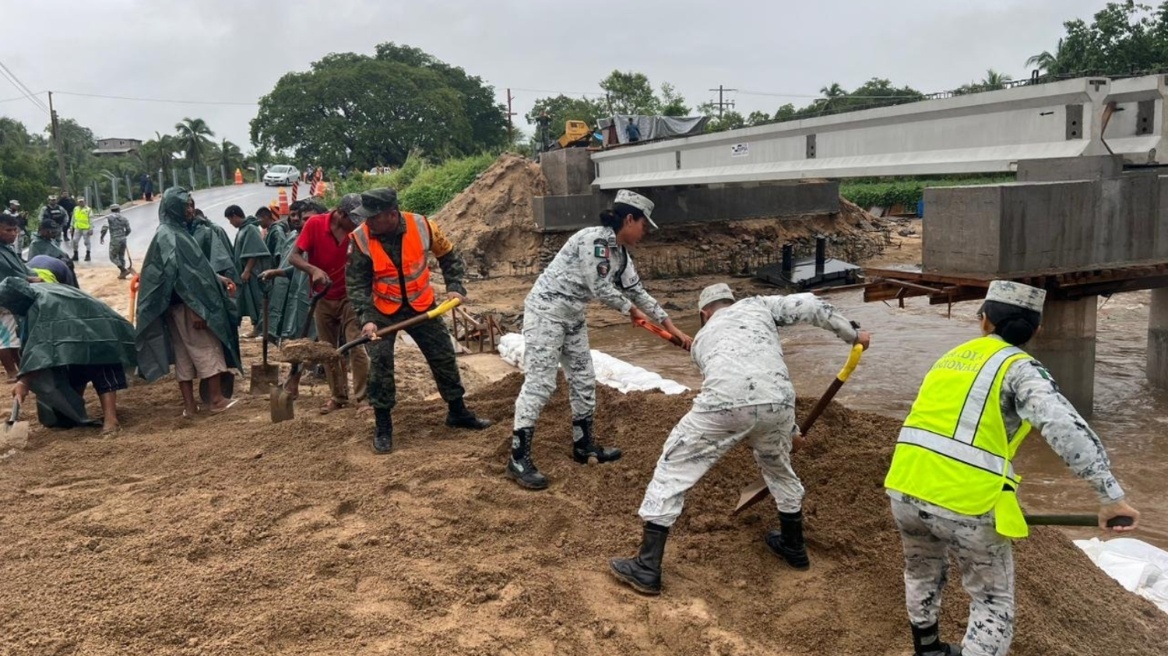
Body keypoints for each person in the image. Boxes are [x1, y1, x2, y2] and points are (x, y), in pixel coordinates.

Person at [883, 280, 1140, 656]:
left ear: (984, 320)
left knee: (921, 572)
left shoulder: (950, 358)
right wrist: (1110, 496)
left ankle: (929, 650)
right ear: (1035, 330)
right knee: (991, 602)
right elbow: (1064, 427)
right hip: (966, 499)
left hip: (904, 487)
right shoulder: (1019, 368)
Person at [608, 283, 868, 594]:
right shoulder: (758, 306)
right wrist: (853, 334)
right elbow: (809, 305)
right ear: (732, 302)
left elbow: (737, 388)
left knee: (674, 466)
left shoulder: (703, 340)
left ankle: (647, 567)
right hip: (781, 403)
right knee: (777, 467)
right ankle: (793, 547)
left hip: (726, 404)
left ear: (704, 315)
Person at [508, 190, 692, 490]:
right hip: (547, 312)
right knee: (540, 383)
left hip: (573, 315)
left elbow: (637, 291)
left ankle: (584, 445)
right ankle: (518, 458)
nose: (645, 232)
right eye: (644, 225)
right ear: (629, 219)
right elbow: (599, 286)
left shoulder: (621, 254)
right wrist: (630, 312)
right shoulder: (594, 240)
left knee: (584, 378)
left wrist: (673, 329)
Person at [347, 187, 492, 454]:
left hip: (422, 305)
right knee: (380, 364)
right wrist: (366, 319)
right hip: (382, 310)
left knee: (443, 356)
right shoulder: (361, 239)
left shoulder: (423, 226)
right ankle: (383, 425)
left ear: (391, 214)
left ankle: (458, 412)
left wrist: (455, 285)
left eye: (373, 217)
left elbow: (448, 255)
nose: (367, 222)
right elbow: (357, 284)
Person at [135, 187, 241, 418]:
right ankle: (216, 399)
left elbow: (196, 268)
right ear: (174, 208)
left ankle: (190, 407)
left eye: (192, 205)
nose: (191, 210)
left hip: (175, 308)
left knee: (183, 354)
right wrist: (197, 310)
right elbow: (180, 279)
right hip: (187, 306)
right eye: (186, 206)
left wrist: (218, 278)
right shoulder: (172, 236)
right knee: (206, 348)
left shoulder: (170, 232)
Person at [3, 277, 134, 435]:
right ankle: (75, 415)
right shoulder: (31, 298)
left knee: (102, 368)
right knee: (74, 368)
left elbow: (41, 347)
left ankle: (111, 421)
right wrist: (23, 377)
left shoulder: (43, 306)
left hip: (99, 327)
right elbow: (32, 342)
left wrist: (24, 382)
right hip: (75, 328)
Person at [288, 193, 369, 413]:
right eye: (353, 219)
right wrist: (313, 270)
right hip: (323, 296)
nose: (357, 224)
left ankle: (363, 398)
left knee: (356, 345)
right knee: (328, 350)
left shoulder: (359, 232)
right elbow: (293, 257)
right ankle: (338, 396)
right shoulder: (315, 224)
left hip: (351, 296)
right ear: (340, 214)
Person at [0, 213, 42, 381]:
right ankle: (11, 372)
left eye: (15, 229)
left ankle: (20, 366)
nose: (13, 233)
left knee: (12, 334)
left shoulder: (6, 248)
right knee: (4, 335)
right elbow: (8, 274)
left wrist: (31, 274)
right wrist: (29, 278)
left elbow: (20, 267)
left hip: (10, 294)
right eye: (8, 230)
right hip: (4, 296)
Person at [224, 205, 270, 338]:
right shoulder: (243, 229)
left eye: (230, 220)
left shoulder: (250, 228)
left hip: (253, 272)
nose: (230, 223)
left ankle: (261, 328)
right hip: (246, 273)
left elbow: (254, 252)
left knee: (257, 300)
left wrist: (247, 270)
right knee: (250, 300)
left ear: (235, 216)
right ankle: (256, 326)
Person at [99, 204, 134, 279]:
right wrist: (124, 235)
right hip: (123, 239)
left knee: (113, 256)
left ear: (111, 210)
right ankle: (122, 273)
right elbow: (129, 230)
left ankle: (123, 270)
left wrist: (102, 237)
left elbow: (104, 228)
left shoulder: (108, 218)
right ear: (119, 209)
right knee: (121, 255)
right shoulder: (124, 218)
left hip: (115, 239)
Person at [71, 197, 93, 262]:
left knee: (87, 242)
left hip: (86, 228)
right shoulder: (75, 209)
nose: (81, 203)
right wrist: (71, 226)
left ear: (84, 201)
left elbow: (91, 219)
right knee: (75, 241)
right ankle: (75, 254)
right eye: (79, 201)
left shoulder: (88, 209)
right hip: (77, 227)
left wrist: (91, 228)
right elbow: (73, 218)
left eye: (82, 201)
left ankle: (88, 254)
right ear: (78, 202)